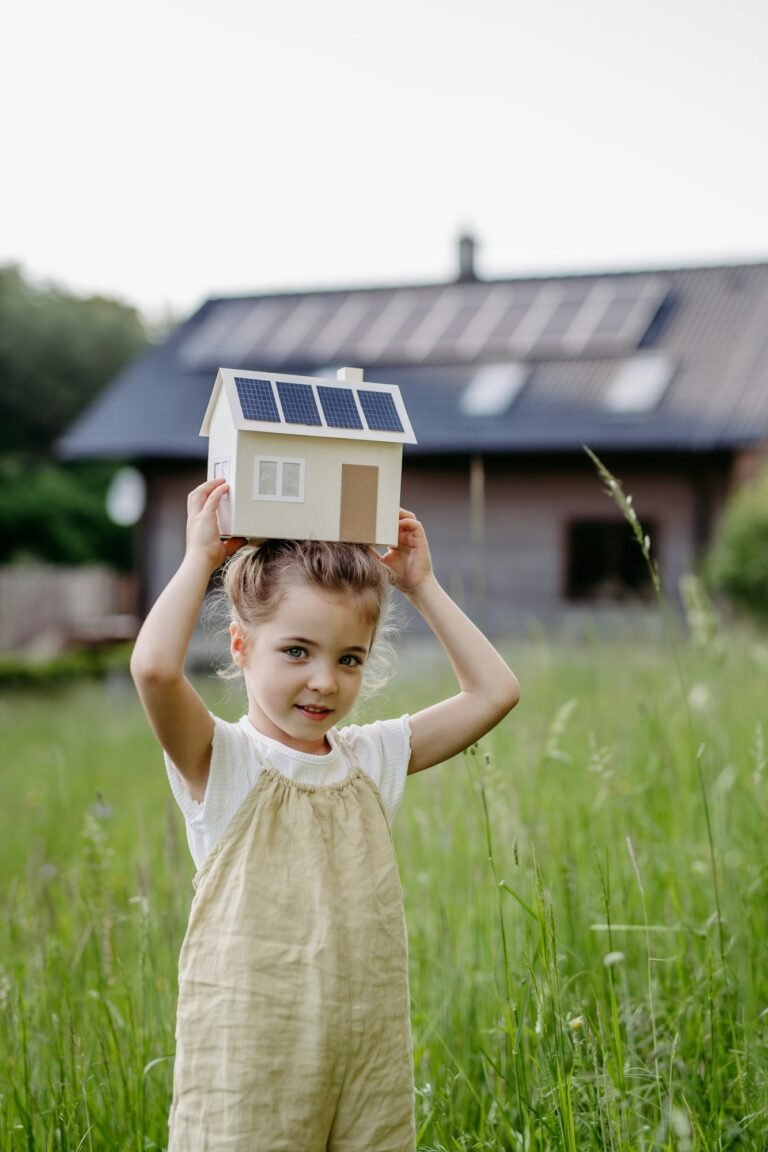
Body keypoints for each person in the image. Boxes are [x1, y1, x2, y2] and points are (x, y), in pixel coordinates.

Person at [130, 477, 520, 1152]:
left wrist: (420, 585)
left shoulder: (368, 760)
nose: (324, 681)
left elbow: (495, 692)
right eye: (296, 651)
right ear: (242, 646)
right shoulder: (222, 761)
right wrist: (201, 560)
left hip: (363, 1062)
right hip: (254, 1065)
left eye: (349, 659)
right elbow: (156, 671)